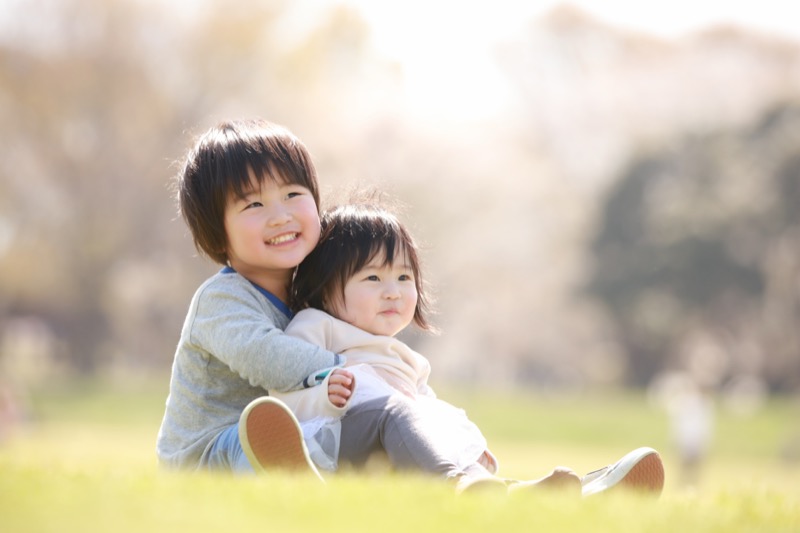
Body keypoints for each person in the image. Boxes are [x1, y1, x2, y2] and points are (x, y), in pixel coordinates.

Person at [278, 202, 665, 496]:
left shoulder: (404, 358)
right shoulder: (316, 326)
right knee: (397, 413)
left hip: (385, 449)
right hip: (336, 441)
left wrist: (461, 443)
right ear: (326, 289)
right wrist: (321, 397)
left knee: (435, 419)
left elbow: (417, 417)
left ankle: (527, 493)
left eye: (403, 277)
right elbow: (280, 391)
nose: (393, 290)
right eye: (373, 277)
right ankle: (468, 486)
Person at [156, 118, 356, 477]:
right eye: (253, 205)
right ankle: (291, 476)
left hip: (294, 429)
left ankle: (452, 472)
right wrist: (351, 367)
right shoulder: (220, 300)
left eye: (292, 195)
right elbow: (267, 358)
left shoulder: (310, 295)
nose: (280, 216)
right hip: (207, 454)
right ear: (218, 235)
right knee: (255, 434)